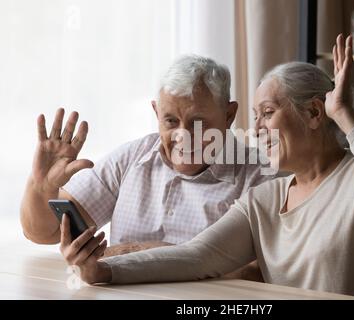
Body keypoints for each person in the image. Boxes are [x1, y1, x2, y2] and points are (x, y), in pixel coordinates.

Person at [58, 35, 354, 299]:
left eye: (267, 114)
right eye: (254, 116)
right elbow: (196, 256)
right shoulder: (265, 199)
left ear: (314, 113)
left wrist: (348, 119)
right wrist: (104, 271)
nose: (256, 129)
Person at [20, 55, 279, 280]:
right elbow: (45, 233)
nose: (182, 135)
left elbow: (260, 272)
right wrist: (41, 187)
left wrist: (138, 254)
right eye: (170, 120)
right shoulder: (132, 158)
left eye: (197, 122)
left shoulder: (261, 176)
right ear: (156, 113)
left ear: (229, 115)